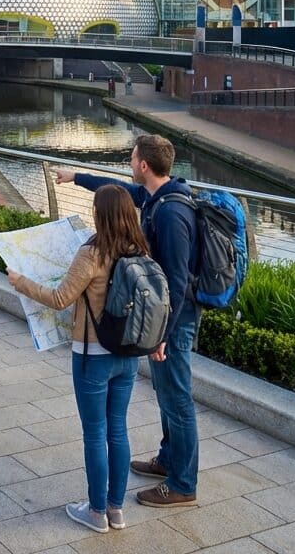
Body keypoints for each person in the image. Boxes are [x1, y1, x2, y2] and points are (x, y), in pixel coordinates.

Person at [55, 134, 200, 508]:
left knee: (178, 399)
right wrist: (76, 177)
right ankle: (168, 460)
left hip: (173, 321)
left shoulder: (170, 213)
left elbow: (180, 281)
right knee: (166, 394)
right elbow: (116, 190)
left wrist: (163, 336)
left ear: (144, 166)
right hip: (160, 317)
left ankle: (183, 484)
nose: (129, 164)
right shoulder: (155, 197)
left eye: (132, 158)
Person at [7, 185, 150, 534]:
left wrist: (21, 282)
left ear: (101, 214)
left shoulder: (93, 253)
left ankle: (96, 511)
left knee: (94, 433)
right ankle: (116, 510)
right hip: (128, 356)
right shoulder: (140, 250)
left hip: (93, 357)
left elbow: (59, 298)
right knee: (118, 429)